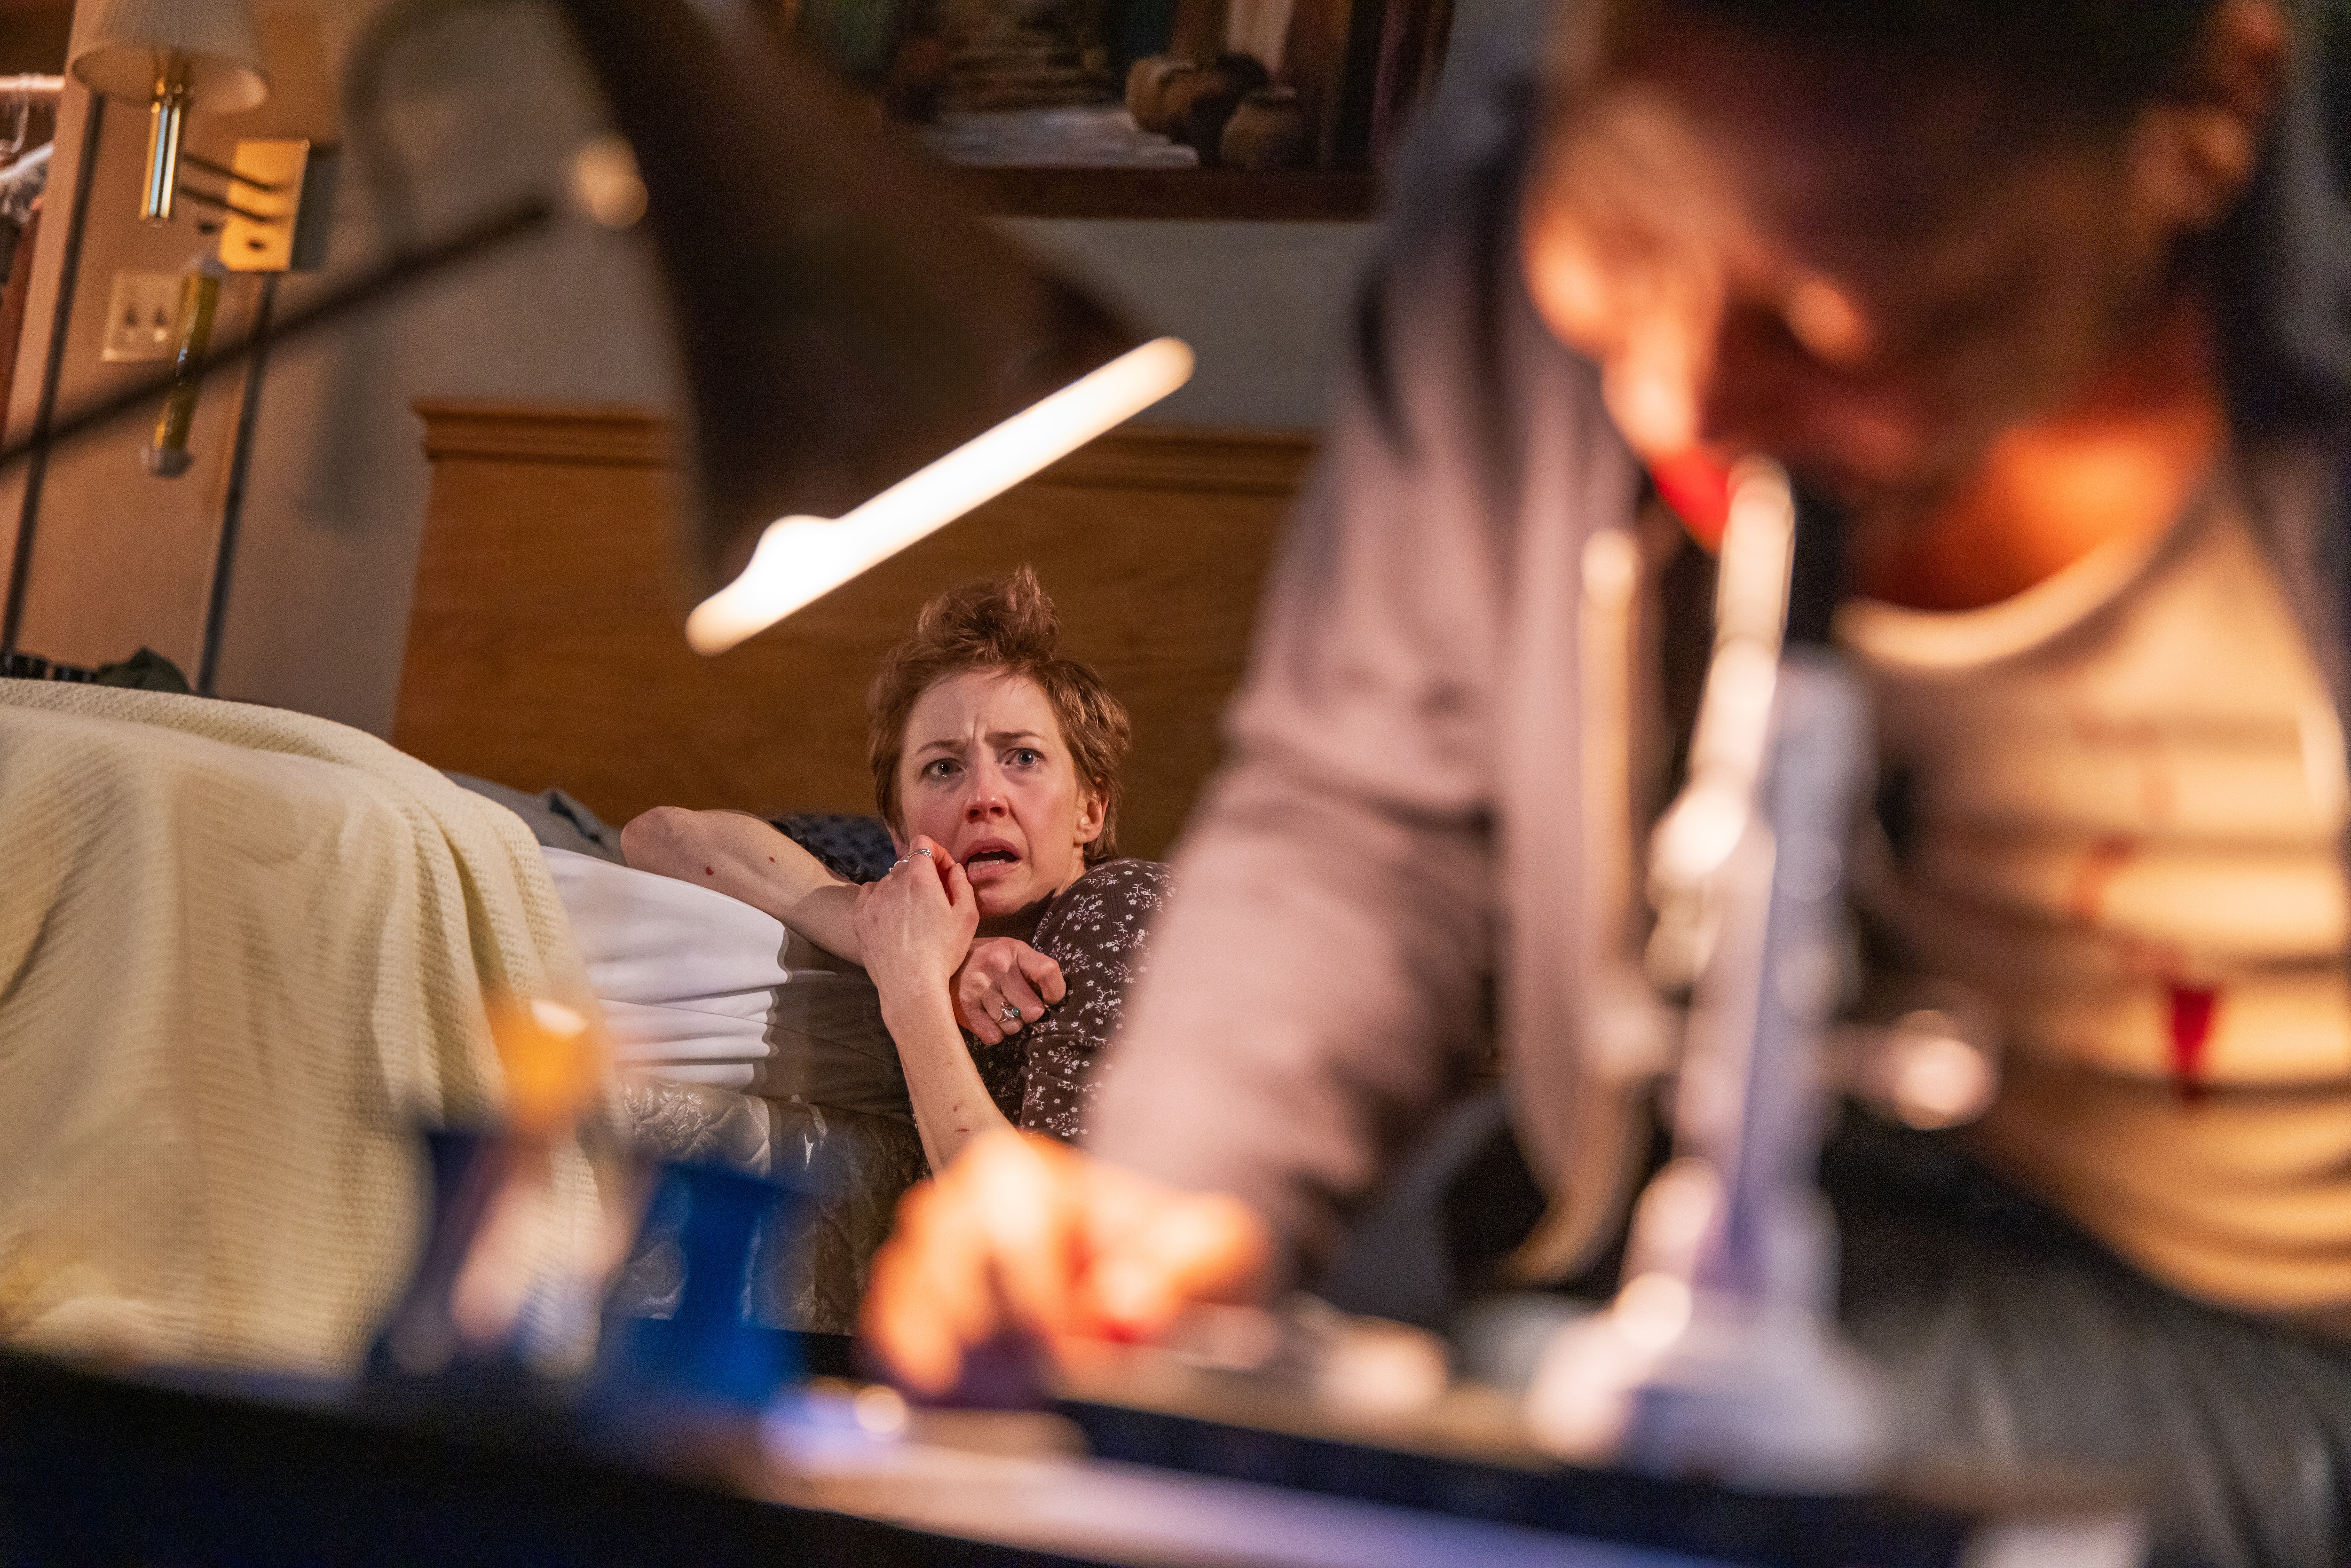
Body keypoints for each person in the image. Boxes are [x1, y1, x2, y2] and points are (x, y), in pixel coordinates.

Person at [861, 3, 2351, 1564]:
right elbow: (1373, 803)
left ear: (2207, 115)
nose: (1677, 405)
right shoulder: (1558, 145)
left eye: (1821, 322)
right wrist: (1169, 1205)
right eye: (1614, 265)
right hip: (1704, 1228)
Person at [622, 568, 1169, 1170]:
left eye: (1024, 757)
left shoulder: (1122, 903)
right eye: (943, 767)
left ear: (1091, 809)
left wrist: (914, 982)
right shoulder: (896, 893)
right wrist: (886, 935)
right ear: (900, 830)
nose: (983, 795)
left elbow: (1042, 1231)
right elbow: (659, 836)